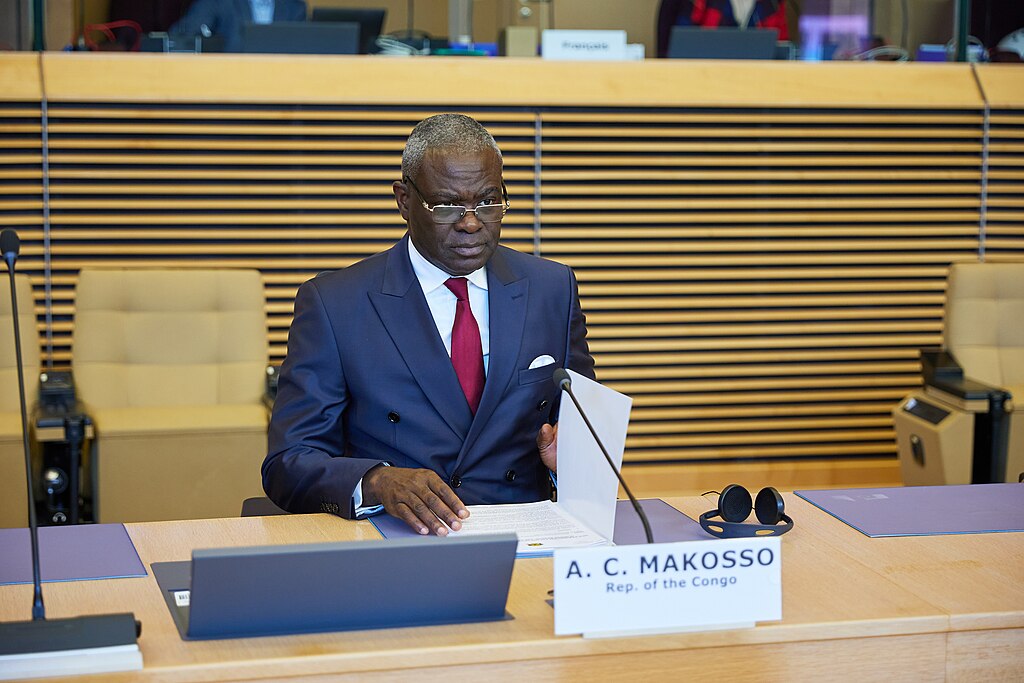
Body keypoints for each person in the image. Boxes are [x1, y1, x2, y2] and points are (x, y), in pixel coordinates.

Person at [263, 114, 595, 536]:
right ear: (404, 200)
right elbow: (289, 462)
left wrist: (567, 465)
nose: (471, 221)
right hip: (395, 539)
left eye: (489, 201)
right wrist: (376, 481)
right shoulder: (336, 304)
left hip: (526, 536)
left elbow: (585, 439)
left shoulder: (553, 288)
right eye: (447, 205)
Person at [657, 0, 791, 58]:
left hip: (757, 90)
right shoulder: (692, 3)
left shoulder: (773, 3)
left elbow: (781, 52)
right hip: (701, 87)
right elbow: (678, 53)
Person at [168, 0, 307, 52]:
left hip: (281, 90)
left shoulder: (295, 8)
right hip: (227, 87)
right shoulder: (218, 3)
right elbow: (181, 36)